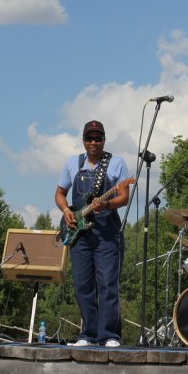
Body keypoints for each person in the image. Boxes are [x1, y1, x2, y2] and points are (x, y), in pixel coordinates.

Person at [56, 120, 130, 348]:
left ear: (104, 140)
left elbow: (124, 197)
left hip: (106, 233)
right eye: (89, 138)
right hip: (80, 234)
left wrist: (106, 205)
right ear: (83, 140)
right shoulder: (72, 163)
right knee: (83, 285)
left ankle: (109, 335)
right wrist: (66, 210)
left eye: (98, 138)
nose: (93, 142)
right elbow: (60, 193)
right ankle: (87, 334)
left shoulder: (116, 163)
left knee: (107, 284)